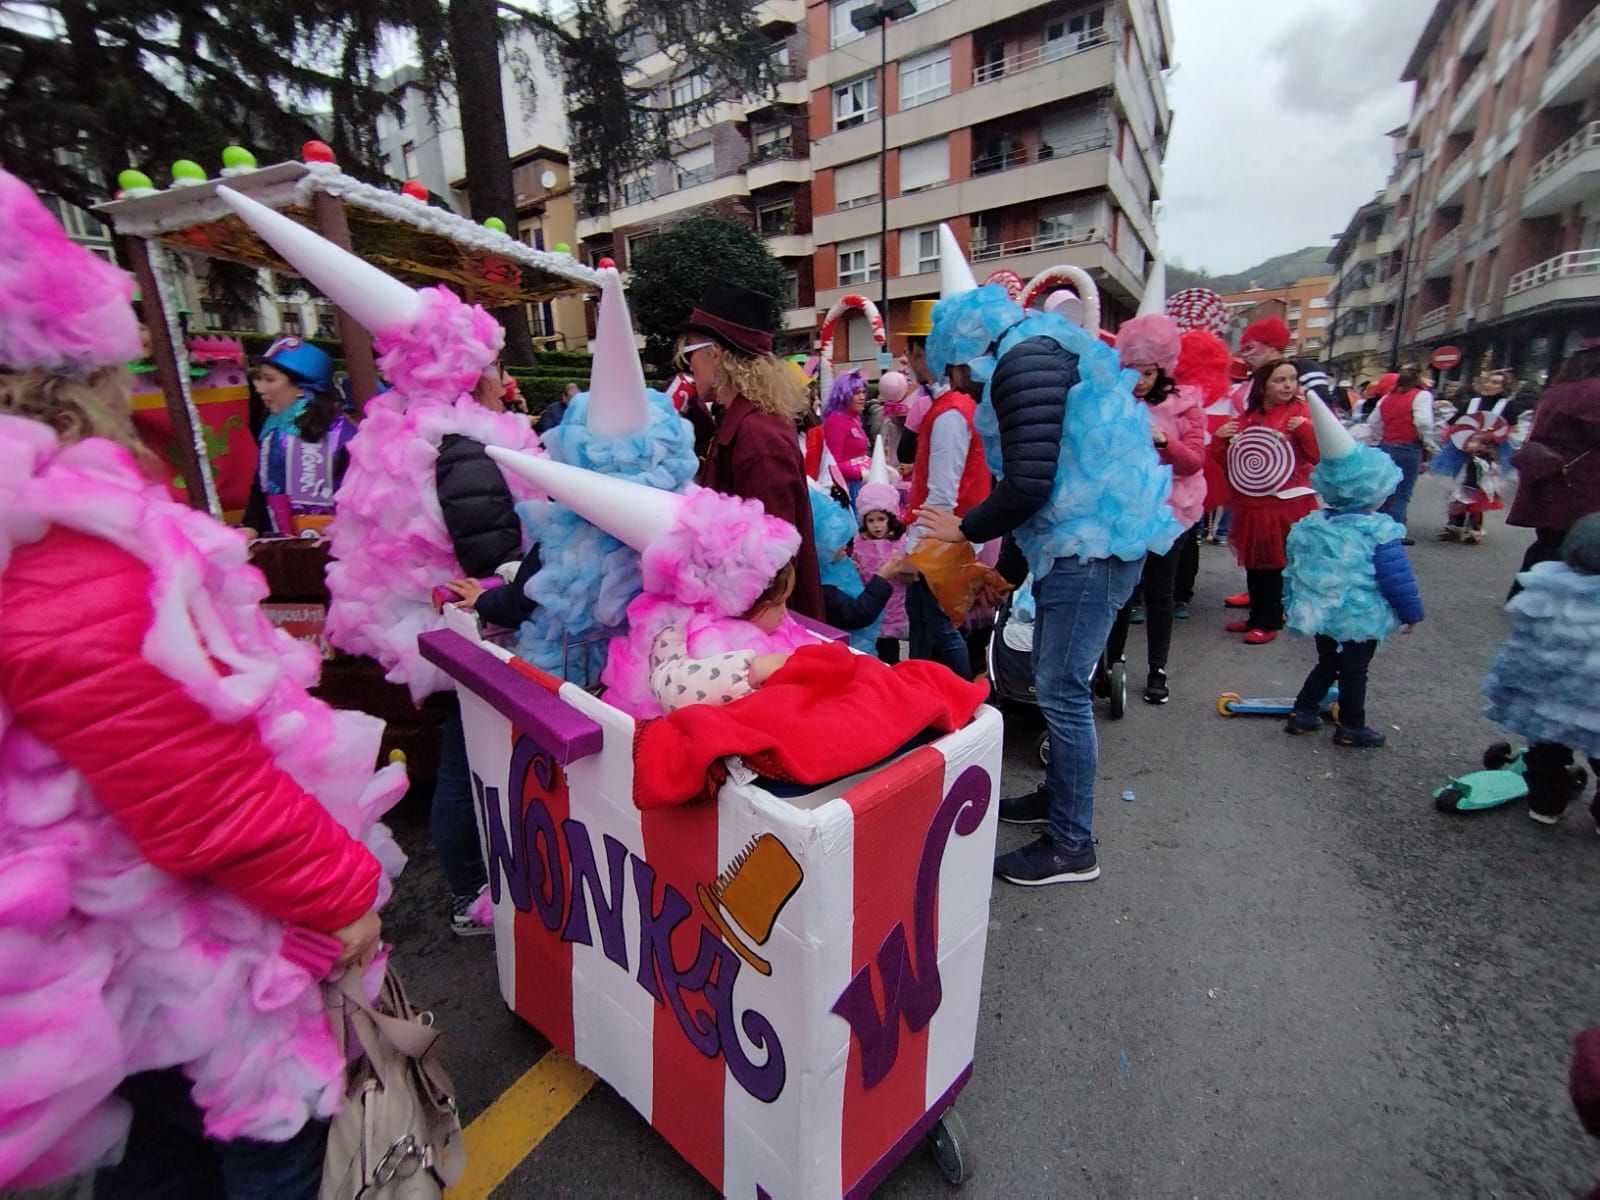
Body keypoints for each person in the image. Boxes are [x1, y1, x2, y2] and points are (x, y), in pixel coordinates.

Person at [0, 167, 404, 1197]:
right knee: (270, 1139)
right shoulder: (66, 546)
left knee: (170, 1142)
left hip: (110, 936)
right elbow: (190, 780)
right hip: (184, 933)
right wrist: (343, 891)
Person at [218, 185, 540, 936]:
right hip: (468, 625)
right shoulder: (463, 446)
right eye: (489, 360)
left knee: (467, 752)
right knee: (470, 758)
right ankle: (470, 893)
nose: (498, 372)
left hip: (422, 622)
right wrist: (515, 592)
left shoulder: (399, 430)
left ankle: (473, 883)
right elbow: (491, 551)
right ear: (469, 367)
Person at [916, 230, 1180, 886]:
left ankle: (1072, 844)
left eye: (953, 361)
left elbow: (1030, 483)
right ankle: (1057, 803)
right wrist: (1008, 569)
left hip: (1090, 552)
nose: (957, 378)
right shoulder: (1036, 348)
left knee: (1061, 689)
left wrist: (960, 529)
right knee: (1054, 678)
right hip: (1085, 544)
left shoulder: (1023, 360)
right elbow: (1052, 479)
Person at [1282, 395, 1424, 748]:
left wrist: (1296, 603)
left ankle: (1303, 712)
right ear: (1373, 491)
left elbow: (1295, 570)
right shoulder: (1380, 530)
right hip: (1361, 618)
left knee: (1327, 663)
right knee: (1355, 670)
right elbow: (1397, 579)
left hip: (1323, 614)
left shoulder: (1312, 526)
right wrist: (1412, 614)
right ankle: (1352, 725)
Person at [681, 280, 823, 619]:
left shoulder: (756, 435)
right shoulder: (750, 423)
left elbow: (771, 562)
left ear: (715, 354)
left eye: (690, 354)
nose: (688, 367)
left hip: (763, 625)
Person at [1104, 311, 1206, 703]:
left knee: (1160, 593)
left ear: (1162, 369)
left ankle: (1157, 670)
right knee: (1121, 592)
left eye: (1149, 373)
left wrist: (1165, 442)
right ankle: (1114, 663)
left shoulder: (1185, 405)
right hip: (1125, 510)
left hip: (1171, 512)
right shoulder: (1114, 404)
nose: (1141, 381)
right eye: (1135, 372)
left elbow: (1194, 460)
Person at [1481, 513, 1600, 826]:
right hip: (1595, 700)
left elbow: (1524, 636)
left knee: (1547, 749)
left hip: (1549, 691)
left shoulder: (1548, 586)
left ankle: (1545, 805)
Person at [902, 300, 992, 678]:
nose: (905, 361)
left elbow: (941, 495)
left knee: (937, 624)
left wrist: (913, 550)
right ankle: (924, 696)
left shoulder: (951, 413)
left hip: (942, 540)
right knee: (922, 620)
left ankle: (967, 700)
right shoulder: (953, 407)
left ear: (920, 351)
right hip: (948, 536)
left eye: (908, 351)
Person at [1210, 359, 1320, 643]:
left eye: (1292, 379)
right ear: (1263, 386)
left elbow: (1317, 456)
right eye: (1279, 380)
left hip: (1286, 503)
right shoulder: (1250, 417)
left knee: (1273, 565)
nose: (1288, 385)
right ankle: (1256, 617)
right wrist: (1221, 440)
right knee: (1256, 564)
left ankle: (1270, 620)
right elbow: (1234, 463)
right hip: (1253, 503)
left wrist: (1306, 429)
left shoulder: (1302, 412)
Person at [1505, 344, 1600, 585]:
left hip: (1550, 475)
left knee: (1549, 541)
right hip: (1583, 481)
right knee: (1578, 543)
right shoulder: (1594, 393)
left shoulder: (1556, 392)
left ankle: (1525, 592)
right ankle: (1548, 601)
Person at [243, 336, 355, 537]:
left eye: (270, 380)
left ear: (300, 387)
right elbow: (262, 489)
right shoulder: (274, 431)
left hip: (339, 548)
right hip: (284, 548)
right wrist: (250, 527)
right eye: (259, 379)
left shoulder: (342, 434)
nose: (259, 388)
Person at [1433, 369, 1516, 544]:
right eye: (1487, 381)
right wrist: (1462, 438)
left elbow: (1508, 431)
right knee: (1460, 488)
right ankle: (1454, 525)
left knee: (1480, 489)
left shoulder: (1507, 407)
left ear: (1503, 387)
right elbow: (1453, 424)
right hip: (1462, 452)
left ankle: (1474, 528)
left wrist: (1486, 439)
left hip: (1488, 456)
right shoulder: (1471, 403)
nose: (1489, 385)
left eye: (1495, 382)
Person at [1364, 363, 1438, 538]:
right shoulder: (1421, 396)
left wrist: (1382, 436)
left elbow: (1373, 421)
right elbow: (1423, 422)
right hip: (1408, 446)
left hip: (1386, 445)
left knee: (1384, 491)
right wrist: (1428, 442)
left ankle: (1378, 530)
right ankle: (1394, 534)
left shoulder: (1386, 398)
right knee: (1402, 492)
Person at [852, 468, 909, 663]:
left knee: (890, 650)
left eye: (881, 520)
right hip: (871, 605)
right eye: (871, 520)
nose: (876, 526)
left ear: (890, 519)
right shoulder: (859, 542)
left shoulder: (900, 541)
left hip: (894, 605)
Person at [822, 370, 872, 499]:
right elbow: (832, 464)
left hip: (860, 485)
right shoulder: (836, 421)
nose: (862, 397)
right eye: (856, 393)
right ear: (844, 396)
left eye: (863, 392)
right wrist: (861, 474)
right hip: (848, 488)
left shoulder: (853, 419)